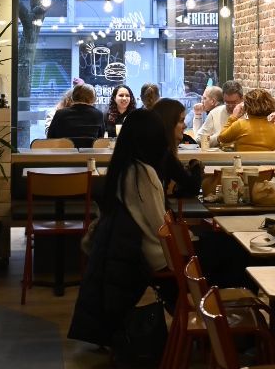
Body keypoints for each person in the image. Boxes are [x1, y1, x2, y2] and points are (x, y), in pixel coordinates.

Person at [67, 110, 171, 348]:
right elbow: (160, 228)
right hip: (153, 256)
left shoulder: (122, 168)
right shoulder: (144, 173)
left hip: (131, 253)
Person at [151, 96, 203, 199]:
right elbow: (193, 187)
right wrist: (196, 165)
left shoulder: (154, 149)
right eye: (181, 121)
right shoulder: (163, 154)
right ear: (169, 123)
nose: (184, 126)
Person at [46, 82, 105, 148]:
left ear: (72, 97)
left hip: (64, 155)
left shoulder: (60, 113)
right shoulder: (98, 114)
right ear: (94, 99)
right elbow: (100, 140)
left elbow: (50, 137)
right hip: (89, 156)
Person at [197, 80, 243, 147]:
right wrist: (218, 138)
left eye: (234, 102)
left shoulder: (249, 114)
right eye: (227, 102)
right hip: (220, 155)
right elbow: (198, 140)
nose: (230, 106)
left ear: (242, 99)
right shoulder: (215, 113)